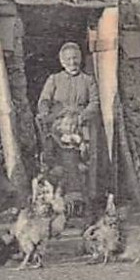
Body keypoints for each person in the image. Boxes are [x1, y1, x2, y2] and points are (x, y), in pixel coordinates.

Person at [36, 42, 100, 209]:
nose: (73, 62)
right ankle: (63, 198)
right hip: (59, 123)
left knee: (77, 150)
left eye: (75, 58)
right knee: (60, 151)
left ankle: (77, 197)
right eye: (69, 59)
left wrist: (81, 117)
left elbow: (94, 103)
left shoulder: (88, 80)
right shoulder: (54, 79)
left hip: (80, 123)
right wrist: (44, 112)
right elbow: (44, 99)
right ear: (62, 62)